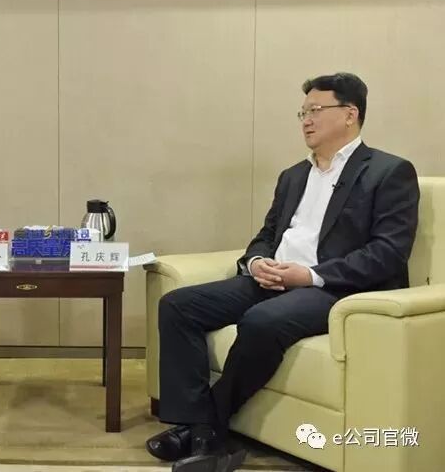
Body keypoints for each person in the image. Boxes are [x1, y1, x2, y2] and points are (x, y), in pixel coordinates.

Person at [146, 73, 420, 472]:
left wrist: (309, 275)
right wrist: (257, 262)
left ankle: (205, 429)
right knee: (177, 305)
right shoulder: (293, 176)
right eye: (302, 113)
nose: (306, 120)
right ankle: (197, 426)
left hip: (334, 288)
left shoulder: (389, 171)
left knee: (261, 322)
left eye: (316, 110)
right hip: (272, 280)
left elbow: (388, 253)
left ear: (350, 114)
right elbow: (267, 235)